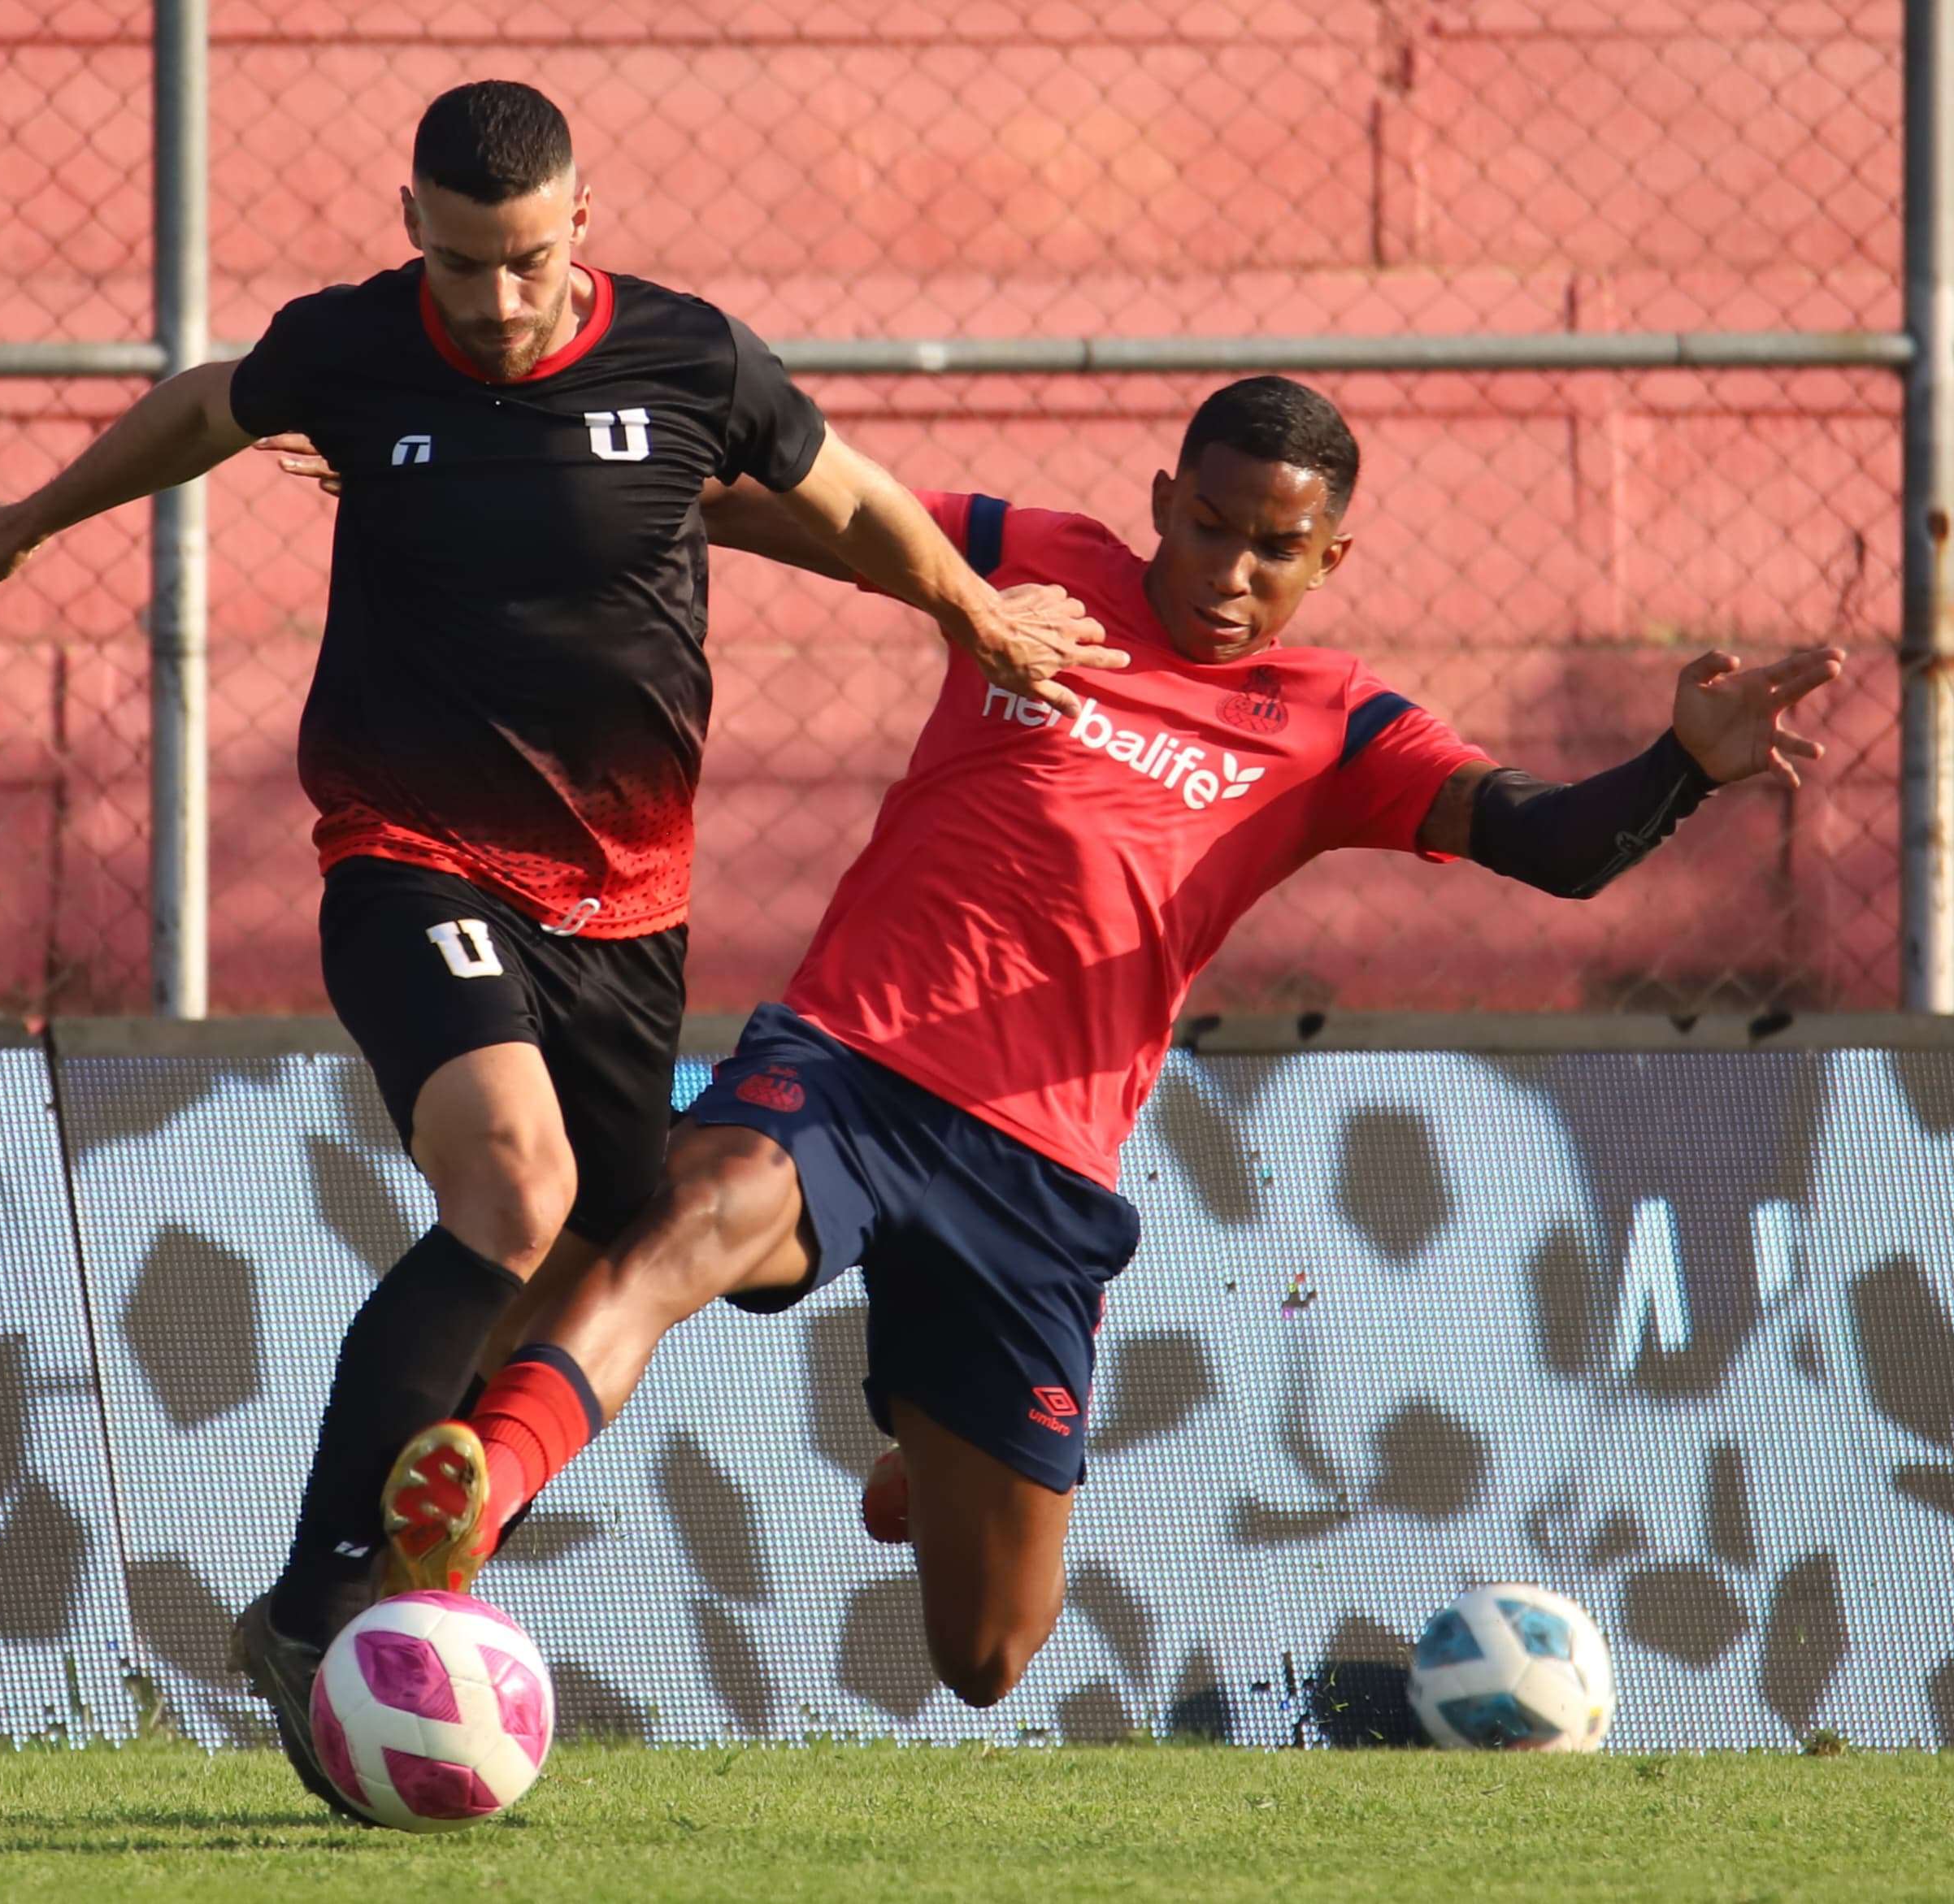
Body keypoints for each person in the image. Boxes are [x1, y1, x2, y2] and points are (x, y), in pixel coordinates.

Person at [0, 79, 1105, 1811]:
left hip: (627, 909)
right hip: (414, 859)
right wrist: (27, 519)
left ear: (581, 225)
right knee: (514, 1188)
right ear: (413, 230)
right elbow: (199, 411)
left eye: (527, 262)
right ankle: (322, 1602)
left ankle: (423, 1585)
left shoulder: (693, 360)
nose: (494, 301)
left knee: (600, 1252)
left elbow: (848, 494)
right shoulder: (352, 350)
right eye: (462, 266)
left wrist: (974, 609)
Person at [369, 374, 1846, 1711]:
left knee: (989, 1656)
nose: (1231, 573)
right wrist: (465, 466)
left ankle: (933, 1449)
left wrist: (1677, 772)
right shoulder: (1035, 559)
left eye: (1277, 552)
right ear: (1161, 504)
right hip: (851, 1065)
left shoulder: (1337, 725)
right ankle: (478, 1496)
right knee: (690, 1216)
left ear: (1330, 559)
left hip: (1038, 1170)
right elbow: (781, 505)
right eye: (1208, 529)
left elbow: (1554, 844)